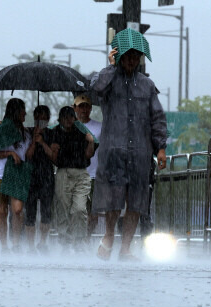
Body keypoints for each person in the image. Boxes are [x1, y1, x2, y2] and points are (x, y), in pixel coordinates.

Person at [90, 32, 168, 261]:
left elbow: (157, 118)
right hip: (113, 150)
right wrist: (110, 67)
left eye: (137, 56)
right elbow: (95, 90)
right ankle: (109, 238)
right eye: (128, 56)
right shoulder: (107, 79)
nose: (132, 60)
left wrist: (160, 147)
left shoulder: (147, 85)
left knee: (136, 200)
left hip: (140, 153)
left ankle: (125, 247)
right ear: (120, 55)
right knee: (113, 198)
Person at [0, 98, 34, 254]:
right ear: (15, 112)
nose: (25, 114)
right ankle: (4, 246)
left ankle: (16, 243)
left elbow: (27, 155)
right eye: (22, 111)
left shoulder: (26, 133)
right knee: (1, 212)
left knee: (18, 210)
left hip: (17, 175)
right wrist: (10, 153)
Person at [50, 106, 98, 252]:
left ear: (74, 118)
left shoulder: (82, 131)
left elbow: (89, 155)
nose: (68, 120)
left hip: (81, 173)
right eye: (65, 117)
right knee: (63, 207)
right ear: (60, 119)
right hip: (63, 172)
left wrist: (90, 142)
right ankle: (64, 239)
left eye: (71, 117)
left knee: (79, 208)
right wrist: (53, 150)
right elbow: (53, 158)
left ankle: (78, 239)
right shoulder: (55, 132)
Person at [24, 105, 56, 254]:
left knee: (46, 211)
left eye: (44, 119)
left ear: (48, 120)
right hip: (30, 176)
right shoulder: (27, 132)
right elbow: (27, 156)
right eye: (38, 119)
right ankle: (30, 246)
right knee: (30, 212)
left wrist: (42, 142)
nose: (41, 122)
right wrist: (33, 141)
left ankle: (43, 242)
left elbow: (54, 157)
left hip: (47, 177)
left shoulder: (52, 134)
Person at [73, 94, 103, 242]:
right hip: (75, 175)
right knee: (78, 210)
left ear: (91, 108)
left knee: (93, 214)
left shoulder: (99, 127)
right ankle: (76, 237)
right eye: (81, 106)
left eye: (87, 106)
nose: (84, 110)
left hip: (94, 175)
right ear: (75, 108)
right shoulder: (70, 126)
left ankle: (86, 238)